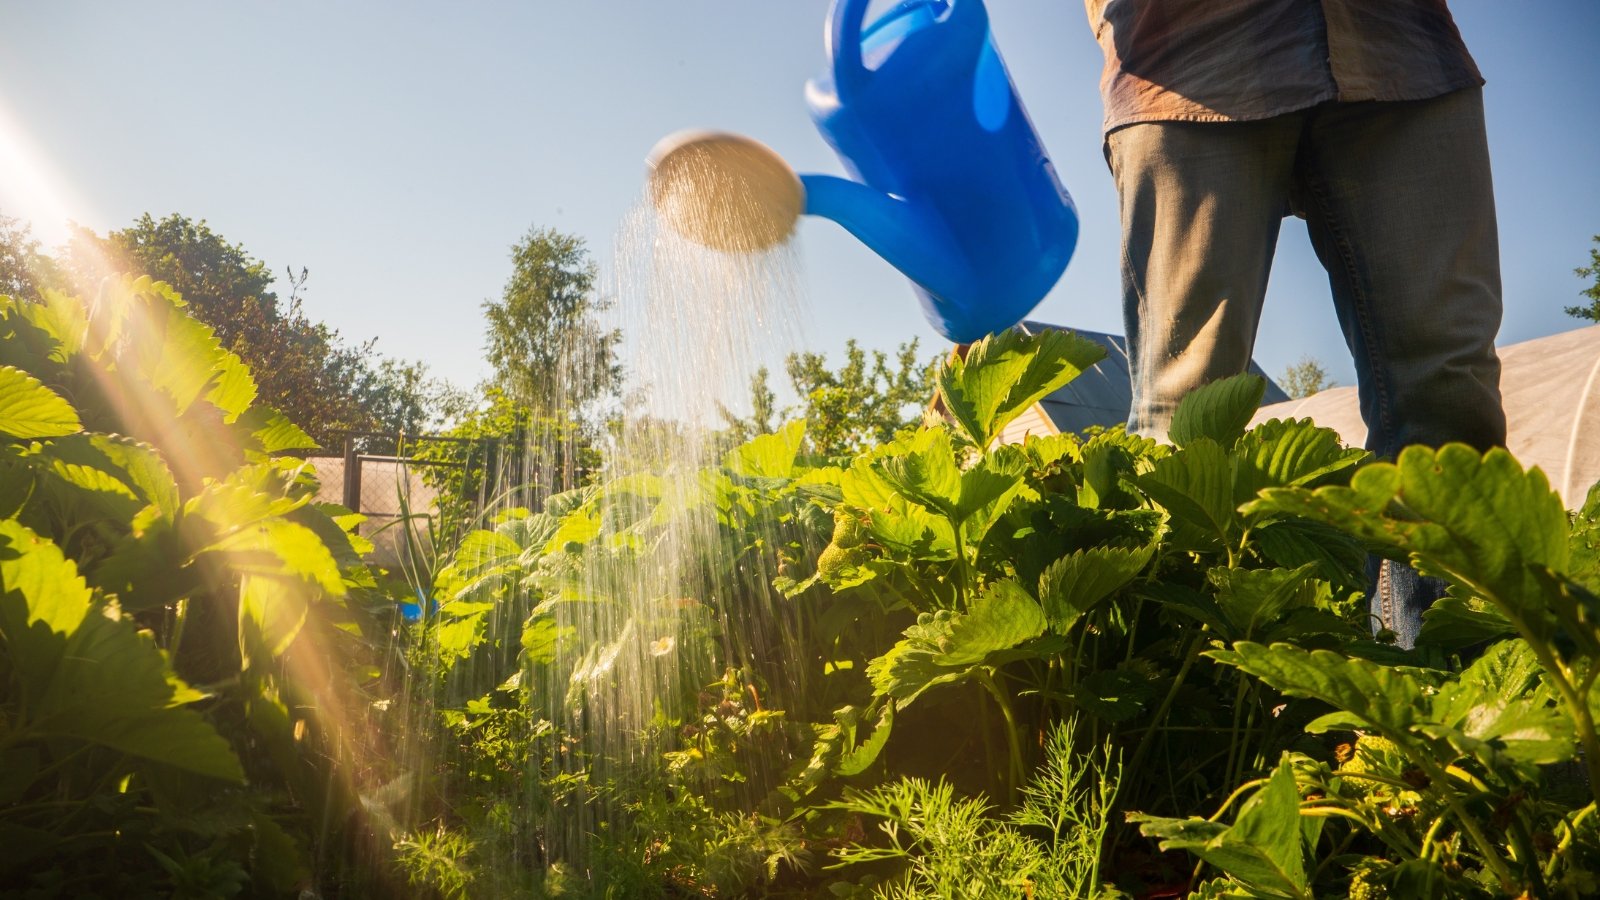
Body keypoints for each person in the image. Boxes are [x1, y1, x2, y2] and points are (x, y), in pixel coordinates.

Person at [1084, 0, 1507, 647]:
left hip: (1399, 48)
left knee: (1449, 400)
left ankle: (1445, 695)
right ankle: (1173, 718)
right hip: (1185, 50)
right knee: (1184, 423)